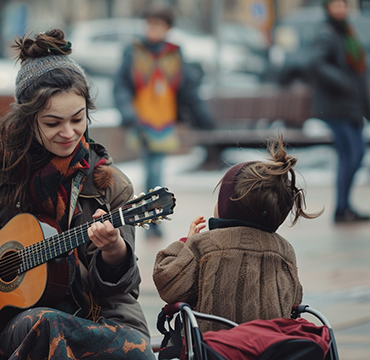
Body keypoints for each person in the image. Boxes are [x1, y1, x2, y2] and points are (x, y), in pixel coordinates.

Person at [0, 29, 155, 360]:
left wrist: (114, 250)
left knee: (134, 351)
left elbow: (123, 289)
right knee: (43, 327)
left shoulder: (110, 184)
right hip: (10, 323)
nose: (68, 133)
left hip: (100, 321)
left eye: (78, 119)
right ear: (28, 119)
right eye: (52, 123)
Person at [152, 138, 322, 332]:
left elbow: (168, 283)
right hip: (266, 348)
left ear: (228, 205)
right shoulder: (285, 251)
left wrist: (185, 243)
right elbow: (293, 298)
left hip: (215, 349)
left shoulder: (204, 245)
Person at [113, 5, 215, 240]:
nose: (153, 29)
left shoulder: (174, 55)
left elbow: (188, 90)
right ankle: (151, 217)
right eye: (150, 24)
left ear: (167, 28)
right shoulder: (134, 53)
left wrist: (205, 120)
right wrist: (128, 114)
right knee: (153, 170)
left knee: (155, 170)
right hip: (141, 121)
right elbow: (121, 87)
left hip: (164, 122)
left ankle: (150, 217)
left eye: (158, 25)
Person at [309, 0, 370, 223]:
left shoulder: (348, 33)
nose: (341, 9)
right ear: (327, 9)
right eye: (335, 5)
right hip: (336, 107)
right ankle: (342, 208)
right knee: (352, 155)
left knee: (354, 155)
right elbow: (316, 63)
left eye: (343, 5)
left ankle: (345, 207)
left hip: (351, 107)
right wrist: (341, 81)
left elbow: (360, 75)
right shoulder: (326, 34)